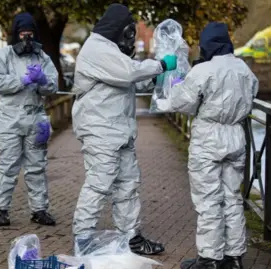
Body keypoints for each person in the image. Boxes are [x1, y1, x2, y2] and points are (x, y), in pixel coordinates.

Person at [71, 3, 178, 255]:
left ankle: (130, 237)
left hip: (119, 130)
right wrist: (160, 65)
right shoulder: (96, 47)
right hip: (100, 130)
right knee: (99, 184)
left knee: (128, 184)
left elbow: (126, 85)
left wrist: (152, 80)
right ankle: (82, 238)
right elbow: (128, 73)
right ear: (121, 30)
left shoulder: (110, 50)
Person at [164, 22, 258, 269]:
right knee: (232, 198)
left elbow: (181, 103)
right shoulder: (245, 70)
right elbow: (252, 95)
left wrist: (176, 86)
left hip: (208, 137)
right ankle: (234, 257)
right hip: (235, 135)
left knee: (208, 200)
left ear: (206, 45)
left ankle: (210, 259)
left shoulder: (203, 70)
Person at [0, 12, 58, 227]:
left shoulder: (42, 57)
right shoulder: (2, 56)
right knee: (7, 167)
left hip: (36, 119)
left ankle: (39, 209)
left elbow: (53, 86)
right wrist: (23, 79)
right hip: (9, 121)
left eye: (30, 34)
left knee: (37, 167)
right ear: (15, 34)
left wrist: (43, 80)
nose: (26, 39)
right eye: (22, 34)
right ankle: (1, 209)